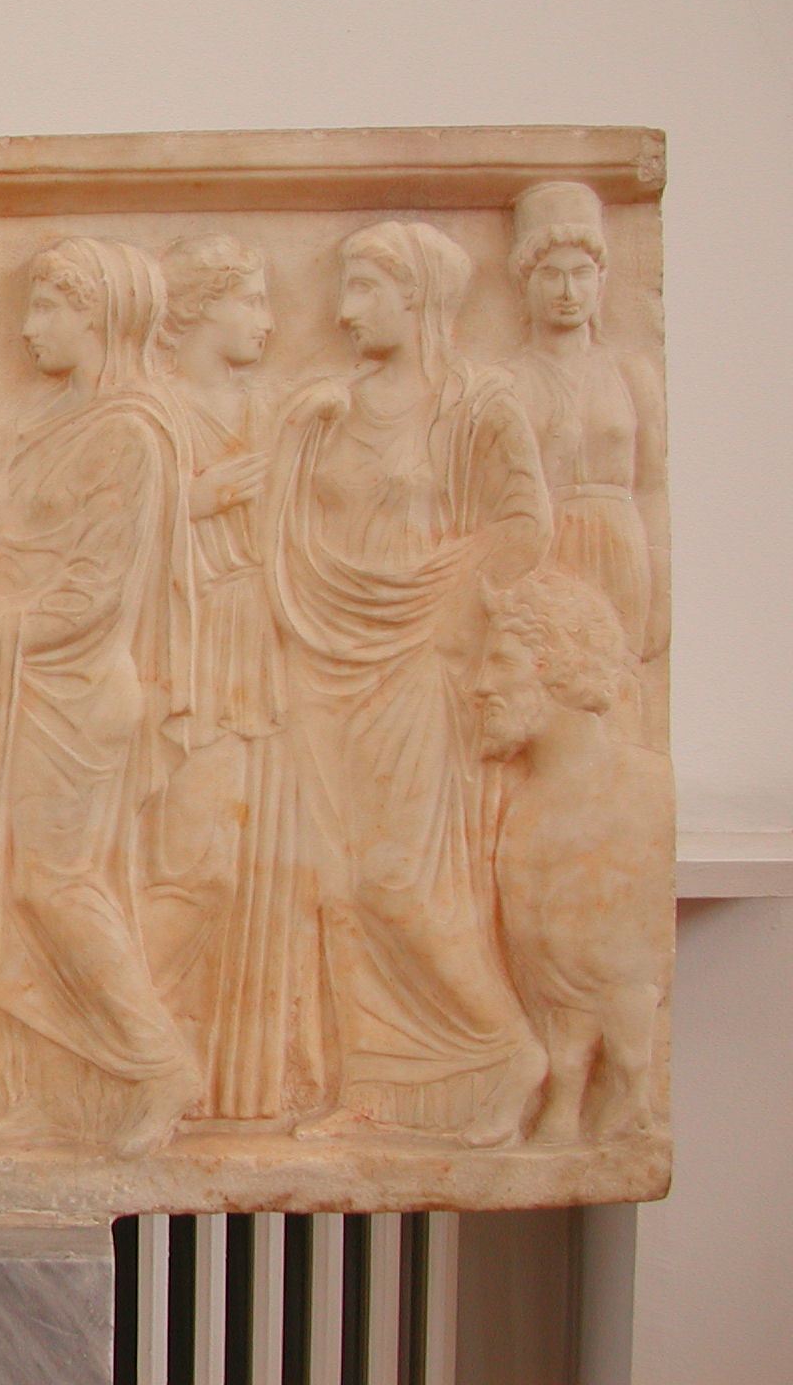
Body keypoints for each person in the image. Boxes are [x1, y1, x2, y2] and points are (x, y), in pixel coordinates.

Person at [268, 221, 549, 1145]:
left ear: (419, 295)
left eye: (365, 289)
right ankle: (373, 1088)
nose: (345, 311)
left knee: (400, 880)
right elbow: (276, 534)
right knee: (337, 881)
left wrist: (441, 598)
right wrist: (294, 437)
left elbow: (525, 527)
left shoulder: (477, 405)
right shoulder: (328, 408)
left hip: (416, 661)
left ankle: (508, 1052)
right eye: (344, 287)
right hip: (323, 655)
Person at [0, 236, 199, 1154]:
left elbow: (100, 588)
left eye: (48, 307)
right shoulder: (47, 421)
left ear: (97, 316)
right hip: (14, 687)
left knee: (54, 884)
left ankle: (161, 1063)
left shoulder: (131, 433)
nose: (28, 327)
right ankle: (58, 1095)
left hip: (76, 689)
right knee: (15, 892)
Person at [142, 233, 316, 1122]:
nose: (268, 321)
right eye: (251, 299)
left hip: (261, 643)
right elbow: (99, 527)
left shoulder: (273, 408)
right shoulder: (156, 409)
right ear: (201, 306)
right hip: (186, 643)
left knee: (256, 865)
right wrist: (197, 501)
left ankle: (227, 1077)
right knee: (191, 864)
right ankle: (125, 1040)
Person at [477, 571, 670, 1142]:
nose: (482, 685)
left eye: (502, 662)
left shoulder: (643, 789)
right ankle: (563, 1107)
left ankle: (623, 1103)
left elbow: (631, 969)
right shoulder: (521, 807)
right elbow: (555, 979)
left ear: (559, 668)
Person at [500, 182, 668, 662]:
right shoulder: (505, 380)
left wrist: (663, 601)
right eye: (551, 275)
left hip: (620, 546)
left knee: (616, 684)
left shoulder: (630, 373)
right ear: (524, 282)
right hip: (542, 553)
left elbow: (653, 488)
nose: (568, 292)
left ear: (601, 280)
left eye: (582, 274)